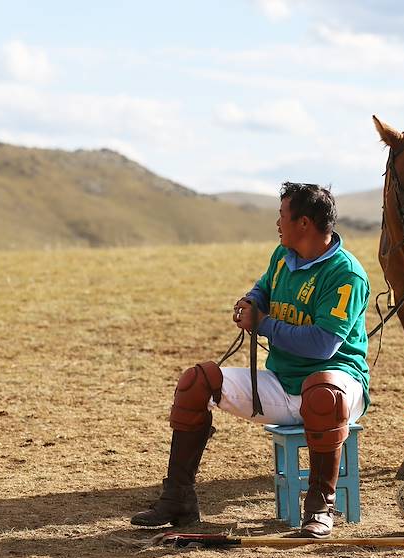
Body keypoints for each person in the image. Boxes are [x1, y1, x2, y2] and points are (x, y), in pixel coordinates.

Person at [131, 182, 370, 538]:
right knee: (197, 382)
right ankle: (178, 497)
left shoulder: (345, 273)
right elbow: (264, 288)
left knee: (323, 392)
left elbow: (323, 345)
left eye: (282, 215)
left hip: (338, 388)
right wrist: (251, 301)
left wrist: (265, 324)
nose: (277, 223)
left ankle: (320, 507)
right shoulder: (283, 257)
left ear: (304, 223)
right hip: (283, 383)